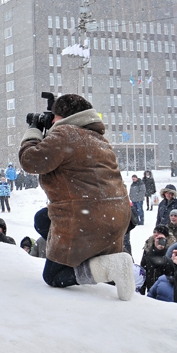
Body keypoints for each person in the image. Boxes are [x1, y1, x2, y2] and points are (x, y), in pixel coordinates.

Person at [19, 94, 134, 301]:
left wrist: (33, 133)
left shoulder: (66, 134)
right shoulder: (98, 139)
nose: (51, 121)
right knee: (42, 219)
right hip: (114, 216)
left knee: (53, 276)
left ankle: (106, 267)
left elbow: (31, 160)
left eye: (54, 117)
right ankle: (91, 259)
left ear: (64, 117)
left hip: (86, 218)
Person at [139, 225, 175, 295]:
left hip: (165, 288)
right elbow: (143, 267)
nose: (156, 234)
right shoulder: (148, 246)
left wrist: (161, 249)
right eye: (154, 232)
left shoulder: (171, 249)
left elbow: (170, 267)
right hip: (150, 283)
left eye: (159, 232)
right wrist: (142, 290)